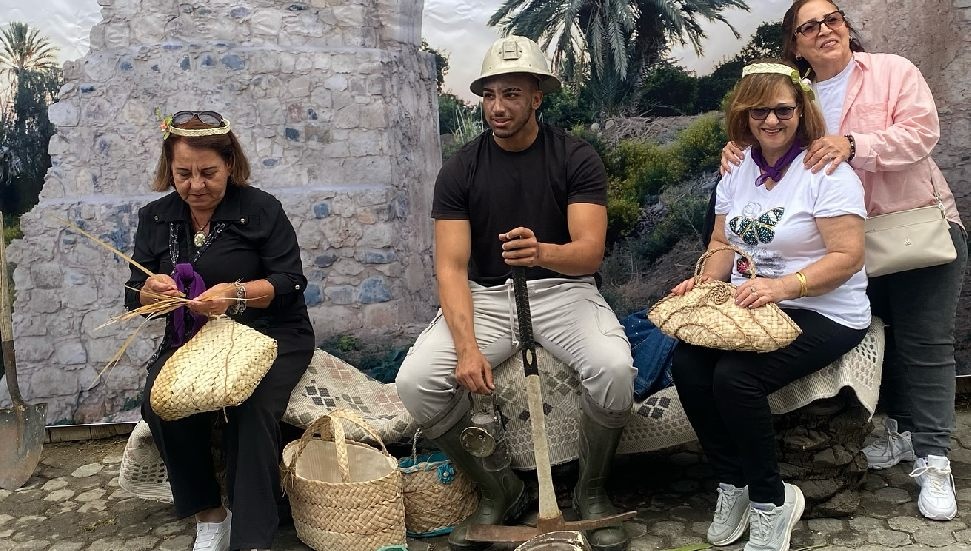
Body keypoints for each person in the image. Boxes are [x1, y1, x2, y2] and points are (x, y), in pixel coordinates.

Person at [722, 0, 967, 522]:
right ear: (795, 44)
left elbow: (923, 133)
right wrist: (735, 148)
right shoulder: (798, 95)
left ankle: (934, 459)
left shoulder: (891, 71)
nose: (824, 30)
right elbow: (773, 148)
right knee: (884, 338)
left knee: (925, 344)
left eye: (832, 19)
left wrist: (853, 144)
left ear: (846, 27)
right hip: (840, 244)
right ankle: (901, 430)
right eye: (809, 26)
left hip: (910, 228)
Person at [395, 36, 636, 551]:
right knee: (416, 383)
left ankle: (592, 493)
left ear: (537, 98)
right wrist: (466, 348)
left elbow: (589, 254)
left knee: (614, 369)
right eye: (489, 95)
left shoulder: (575, 156)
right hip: (487, 298)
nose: (498, 107)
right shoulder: (460, 169)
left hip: (563, 290)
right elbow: (450, 268)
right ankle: (501, 490)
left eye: (512, 94)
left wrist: (542, 251)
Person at [673, 60, 870, 551]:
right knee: (688, 364)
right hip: (753, 304)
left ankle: (770, 500)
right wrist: (702, 283)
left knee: (734, 378)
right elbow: (722, 243)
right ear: (743, 115)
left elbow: (848, 257)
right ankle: (733, 483)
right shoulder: (737, 168)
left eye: (782, 109)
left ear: (801, 110)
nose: (771, 120)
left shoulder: (826, 172)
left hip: (825, 309)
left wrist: (783, 287)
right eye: (758, 111)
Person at [125, 111, 315, 551]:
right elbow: (135, 291)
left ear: (230, 164)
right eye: (183, 174)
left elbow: (290, 281)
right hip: (193, 338)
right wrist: (152, 292)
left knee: (250, 408)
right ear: (169, 169)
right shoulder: (156, 217)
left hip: (268, 333)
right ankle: (211, 516)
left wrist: (237, 294)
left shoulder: (261, 209)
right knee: (162, 402)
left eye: (208, 172)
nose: (195, 185)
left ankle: (252, 538)